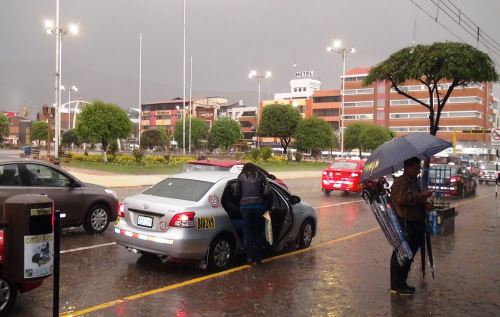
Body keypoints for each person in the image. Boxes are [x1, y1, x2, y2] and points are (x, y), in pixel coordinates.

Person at [389, 157, 432, 295]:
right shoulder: (401, 182)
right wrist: (421, 196)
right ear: (407, 168)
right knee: (402, 255)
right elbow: (403, 200)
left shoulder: (414, 182)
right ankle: (396, 286)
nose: (418, 171)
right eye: (415, 168)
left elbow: (415, 200)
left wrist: (425, 204)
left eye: (419, 168)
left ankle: (402, 283)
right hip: (405, 224)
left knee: (409, 255)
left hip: (415, 222)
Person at [234, 162, 268, 265]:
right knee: (257, 233)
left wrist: (240, 200)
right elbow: (267, 191)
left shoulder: (241, 176)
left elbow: (236, 193)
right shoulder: (261, 176)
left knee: (248, 233)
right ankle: (258, 258)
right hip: (258, 206)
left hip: (245, 207)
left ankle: (249, 258)